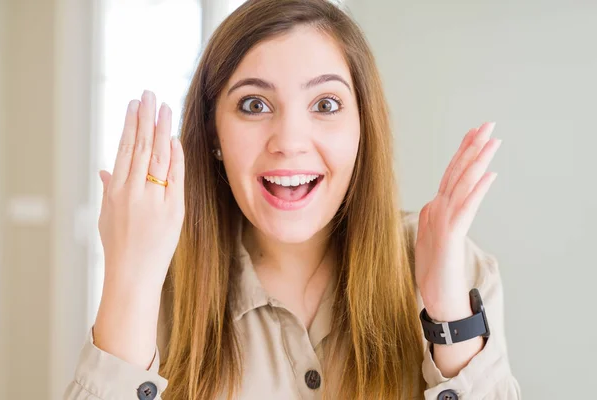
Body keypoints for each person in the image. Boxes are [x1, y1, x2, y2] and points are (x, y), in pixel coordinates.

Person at [64, 0, 521, 399]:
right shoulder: (162, 288)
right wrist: (131, 280)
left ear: (363, 128)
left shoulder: (459, 271)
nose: (289, 141)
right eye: (254, 105)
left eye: (325, 105)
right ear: (213, 133)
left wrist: (447, 313)